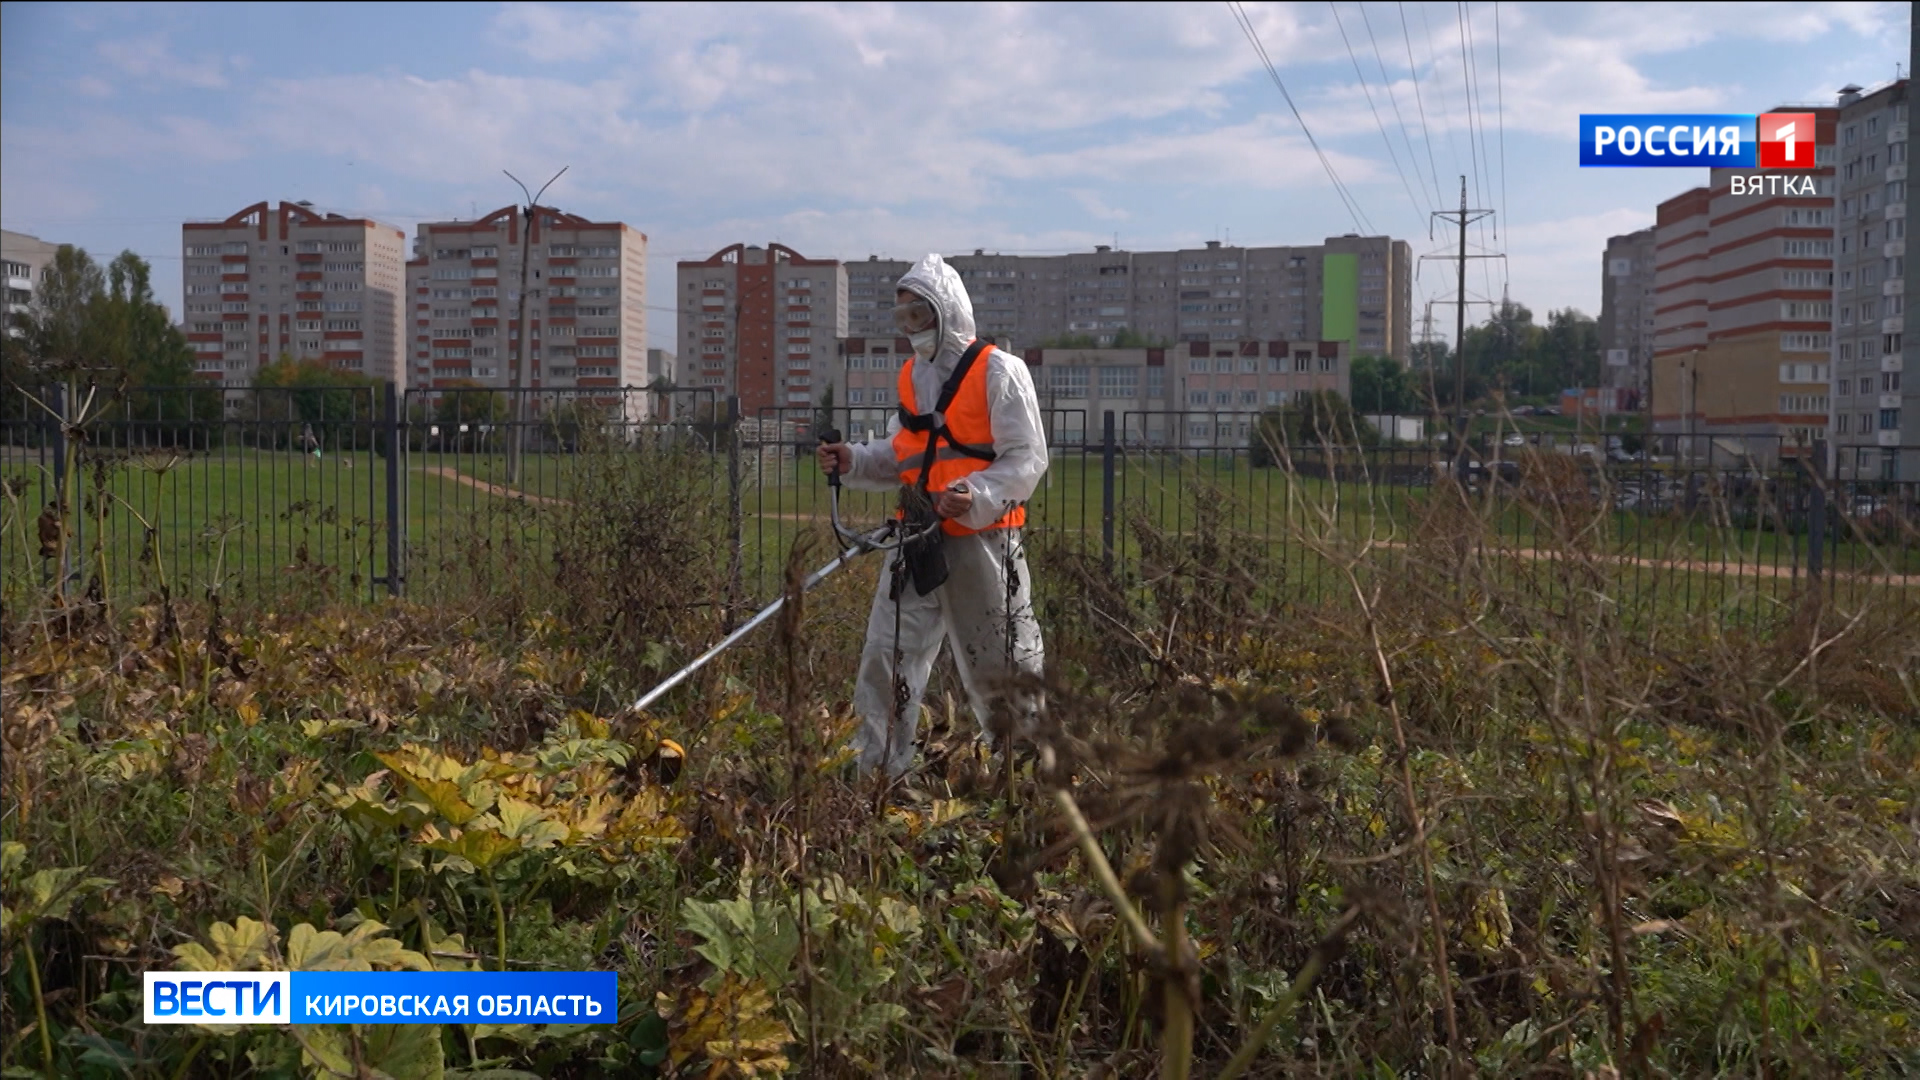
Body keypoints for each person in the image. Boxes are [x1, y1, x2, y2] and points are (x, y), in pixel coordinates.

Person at [816, 254, 1048, 779]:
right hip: (916, 537)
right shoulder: (911, 378)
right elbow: (906, 455)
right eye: (902, 318)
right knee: (887, 656)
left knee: (1002, 659)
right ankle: (876, 775)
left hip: (983, 541)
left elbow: (1027, 460)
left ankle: (1025, 777)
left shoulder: (999, 372)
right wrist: (854, 459)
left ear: (946, 312)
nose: (910, 329)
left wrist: (974, 494)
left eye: (918, 315)